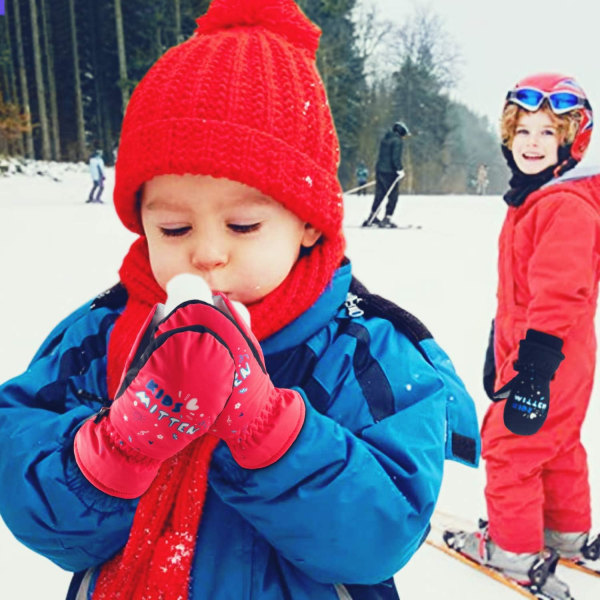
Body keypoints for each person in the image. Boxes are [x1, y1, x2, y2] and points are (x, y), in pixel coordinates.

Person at [0, 2, 480, 599]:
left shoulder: (368, 350)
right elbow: (28, 490)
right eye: (174, 229)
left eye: (243, 226)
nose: (206, 254)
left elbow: (381, 536)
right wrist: (116, 449)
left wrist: (269, 432)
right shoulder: (101, 335)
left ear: (308, 222)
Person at [446, 73, 600, 599]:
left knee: (511, 448)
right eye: (523, 131)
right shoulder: (537, 199)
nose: (532, 143)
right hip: (561, 355)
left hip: (550, 355)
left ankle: (512, 550)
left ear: (571, 143)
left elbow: (561, 292)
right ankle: (565, 533)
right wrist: (500, 343)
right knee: (556, 445)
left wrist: (532, 366)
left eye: (547, 133)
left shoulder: (563, 206)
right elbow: (520, 292)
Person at [362, 121, 410, 228]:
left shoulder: (385, 139)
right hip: (390, 172)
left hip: (380, 170)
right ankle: (387, 218)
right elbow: (395, 157)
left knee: (380, 194)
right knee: (393, 196)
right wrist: (399, 169)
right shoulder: (397, 141)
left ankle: (372, 216)